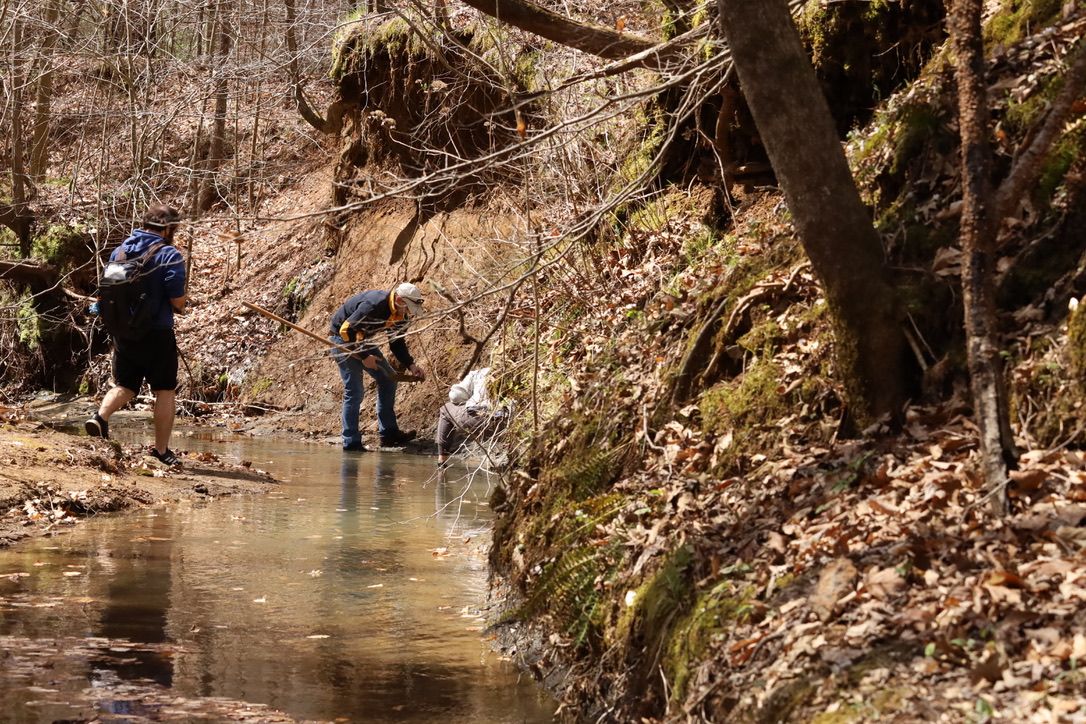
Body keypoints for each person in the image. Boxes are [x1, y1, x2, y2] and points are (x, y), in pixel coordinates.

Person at [84, 203, 187, 466]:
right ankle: (162, 451)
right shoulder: (169, 254)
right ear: (168, 229)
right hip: (157, 333)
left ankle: (100, 418)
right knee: (164, 390)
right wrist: (183, 304)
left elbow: (107, 292)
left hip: (124, 332)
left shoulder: (120, 252)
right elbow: (178, 301)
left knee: (125, 385)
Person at [330, 282, 427, 451]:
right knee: (355, 391)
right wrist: (364, 357)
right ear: (399, 300)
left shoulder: (400, 315)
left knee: (388, 380)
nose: (409, 313)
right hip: (342, 340)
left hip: (361, 339)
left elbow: (397, 343)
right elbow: (346, 331)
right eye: (408, 308)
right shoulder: (375, 304)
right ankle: (351, 442)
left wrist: (411, 365)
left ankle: (389, 434)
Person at [436, 366, 505, 465]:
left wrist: (469, 399)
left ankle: (442, 461)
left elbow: (455, 396)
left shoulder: (480, 373)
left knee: (445, 409)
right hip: (508, 425)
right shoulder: (524, 372)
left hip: (479, 420)